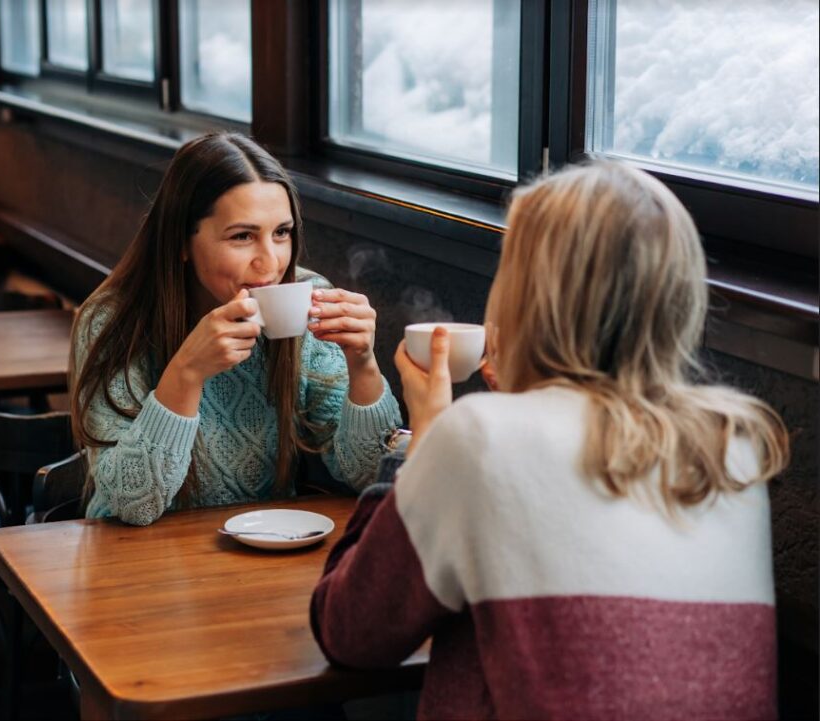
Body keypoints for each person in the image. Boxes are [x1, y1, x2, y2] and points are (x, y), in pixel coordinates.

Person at [310, 162, 789, 720]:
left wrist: (421, 443)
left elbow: (349, 631)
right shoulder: (733, 445)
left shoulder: (480, 437)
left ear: (528, 295)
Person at [69, 132, 401, 526]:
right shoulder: (112, 322)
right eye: (242, 236)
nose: (271, 262)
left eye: (281, 233)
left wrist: (363, 363)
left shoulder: (310, 301)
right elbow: (134, 504)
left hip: (264, 551)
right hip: (132, 558)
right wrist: (187, 372)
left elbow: (370, 476)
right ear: (181, 242)